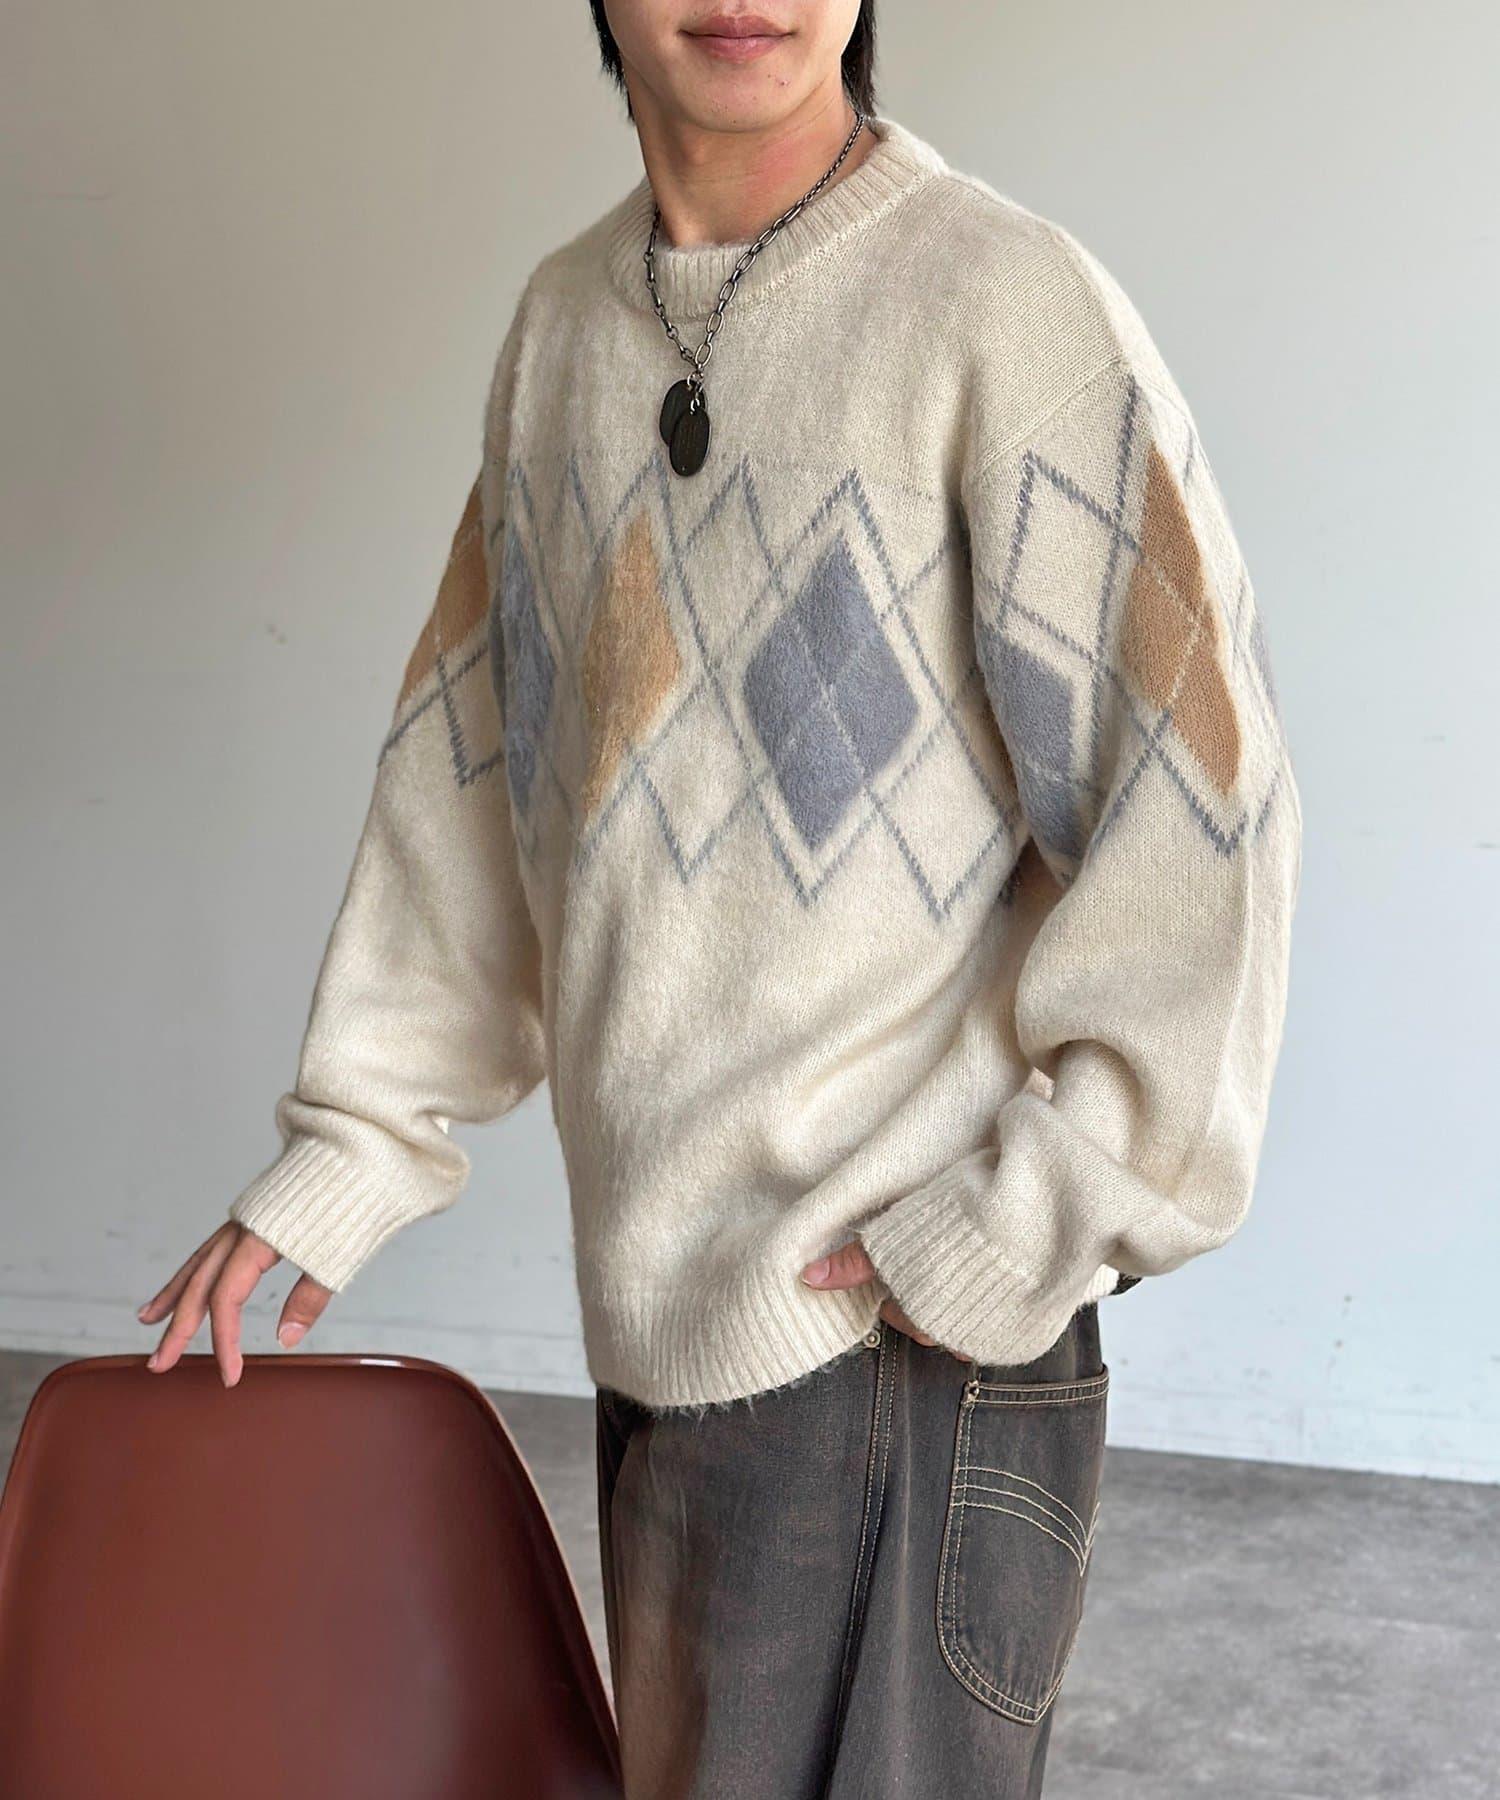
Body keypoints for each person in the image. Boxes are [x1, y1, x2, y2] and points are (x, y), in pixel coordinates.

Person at [137, 3, 1302, 1792]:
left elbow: (1199, 794)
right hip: (663, 1331)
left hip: (903, 1345)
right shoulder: (562, 331)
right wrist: (355, 1144)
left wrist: (1041, 1212)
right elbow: (476, 778)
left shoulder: (1003, 306)